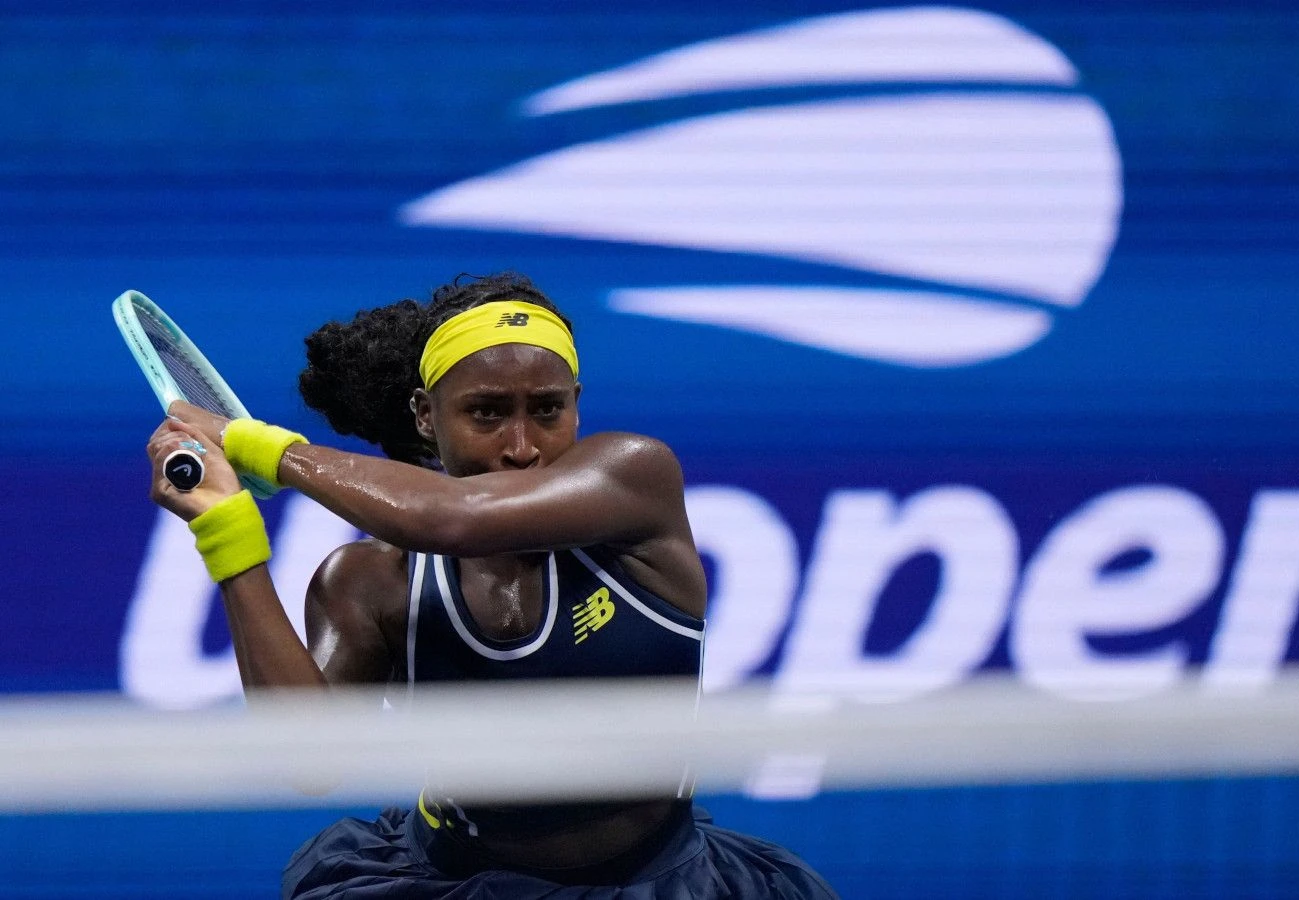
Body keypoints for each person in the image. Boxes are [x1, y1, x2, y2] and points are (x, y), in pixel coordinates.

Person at [145, 272, 838, 899]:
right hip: (454, 881)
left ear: (577, 405)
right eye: (486, 412)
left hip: (664, 880)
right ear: (425, 415)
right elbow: (308, 763)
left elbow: (454, 518)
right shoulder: (370, 581)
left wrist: (258, 444)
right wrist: (228, 533)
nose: (520, 446)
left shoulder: (635, 479)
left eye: (547, 410)